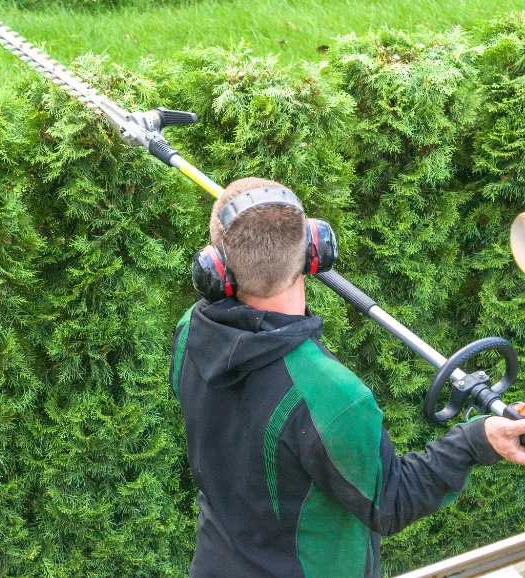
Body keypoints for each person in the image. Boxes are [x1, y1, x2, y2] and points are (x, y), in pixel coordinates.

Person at [169, 177, 525, 577]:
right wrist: (478, 439)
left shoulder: (191, 331)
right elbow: (390, 502)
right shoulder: (331, 395)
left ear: (214, 269)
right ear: (316, 251)